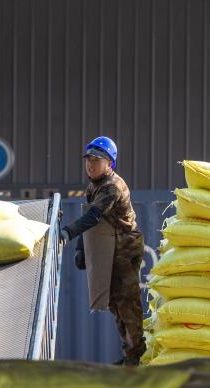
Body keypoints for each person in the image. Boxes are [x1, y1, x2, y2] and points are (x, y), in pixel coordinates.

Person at [59, 136, 147, 365]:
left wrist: (69, 233)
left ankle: (137, 355)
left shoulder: (112, 186)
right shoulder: (93, 185)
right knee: (115, 304)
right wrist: (82, 249)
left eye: (96, 160)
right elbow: (91, 220)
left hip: (125, 248)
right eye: (88, 160)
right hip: (109, 247)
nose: (90, 164)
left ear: (110, 163)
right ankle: (130, 353)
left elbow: (92, 216)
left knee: (128, 304)